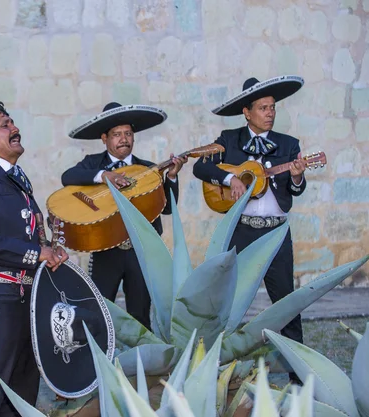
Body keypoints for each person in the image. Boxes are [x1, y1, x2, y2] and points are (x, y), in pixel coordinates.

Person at [0, 100, 68, 417]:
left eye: (12, 122)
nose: (15, 128)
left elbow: (26, 232)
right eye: (4, 125)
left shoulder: (20, 179)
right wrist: (37, 253)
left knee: (24, 391)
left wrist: (50, 246)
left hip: (30, 302)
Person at [193, 75, 307, 381]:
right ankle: (216, 373)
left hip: (276, 232)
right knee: (229, 304)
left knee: (287, 303)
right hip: (242, 232)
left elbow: (296, 188)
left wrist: (296, 176)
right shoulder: (228, 140)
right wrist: (231, 179)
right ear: (247, 111)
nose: (270, 112)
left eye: (272, 107)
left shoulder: (288, 144)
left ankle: (298, 377)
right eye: (263, 108)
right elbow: (199, 167)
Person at [61, 102, 187, 330]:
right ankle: (99, 359)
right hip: (106, 252)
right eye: (117, 134)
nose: (123, 139)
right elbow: (68, 176)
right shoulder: (93, 164)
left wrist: (172, 177)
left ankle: (139, 362)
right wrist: (104, 176)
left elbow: (167, 208)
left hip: (141, 253)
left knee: (140, 313)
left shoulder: (148, 168)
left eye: (128, 134)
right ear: (104, 138)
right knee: (97, 310)